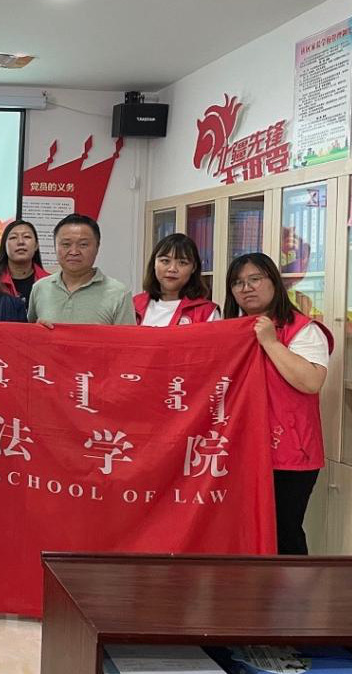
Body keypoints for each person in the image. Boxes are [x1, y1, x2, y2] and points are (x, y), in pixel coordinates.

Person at [224, 252, 332, 555]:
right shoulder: (230, 331)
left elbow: (310, 382)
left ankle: (293, 589)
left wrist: (271, 342)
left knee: (284, 532)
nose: (246, 288)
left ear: (274, 281)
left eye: (255, 279)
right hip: (241, 449)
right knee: (242, 531)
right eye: (238, 282)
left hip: (289, 452)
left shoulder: (303, 329)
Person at [27, 213, 135, 325]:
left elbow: (127, 336)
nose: (74, 252)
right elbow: (28, 333)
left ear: (97, 247)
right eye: (66, 244)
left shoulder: (119, 293)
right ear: (55, 246)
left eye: (83, 244)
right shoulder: (40, 288)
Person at [133, 233, 219, 326]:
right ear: (154, 263)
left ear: (194, 268)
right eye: (165, 261)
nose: (172, 269)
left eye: (182, 263)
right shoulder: (134, 306)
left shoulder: (207, 313)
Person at [0, 219, 50, 308]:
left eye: (27, 237)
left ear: (36, 245)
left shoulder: (50, 283)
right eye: (13, 237)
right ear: (4, 246)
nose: (20, 242)